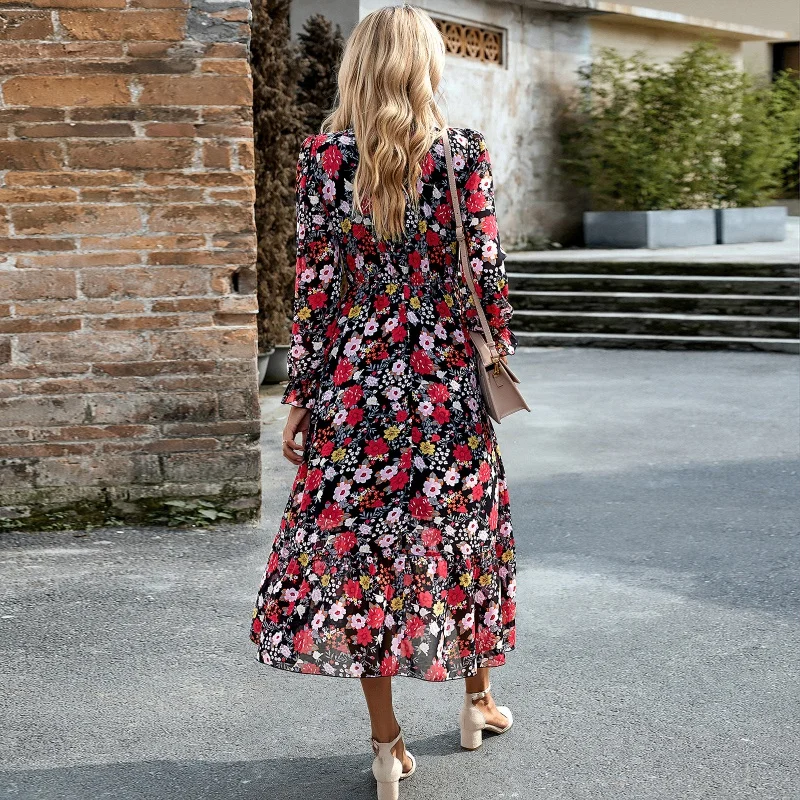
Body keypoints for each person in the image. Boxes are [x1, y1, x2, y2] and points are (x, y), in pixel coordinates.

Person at [250, 5, 518, 798]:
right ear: (426, 65)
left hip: (355, 385)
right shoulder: (462, 154)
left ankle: (385, 744)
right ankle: (477, 702)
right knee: (463, 537)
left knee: (363, 561)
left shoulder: (322, 158)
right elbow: (489, 281)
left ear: (357, 67)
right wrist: (496, 351)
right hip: (442, 387)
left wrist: (301, 396)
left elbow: (315, 292)